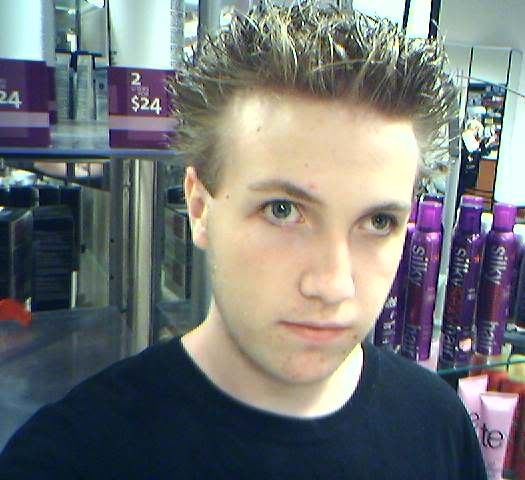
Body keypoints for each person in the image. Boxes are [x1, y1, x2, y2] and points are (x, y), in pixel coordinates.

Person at [0, 3, 487, 478]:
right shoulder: (68, 458)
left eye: (378, 222)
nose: (333, 285)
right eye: (283, 211)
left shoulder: (438, 426)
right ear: (199, 206)